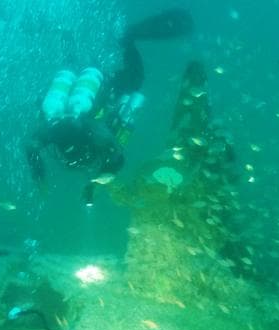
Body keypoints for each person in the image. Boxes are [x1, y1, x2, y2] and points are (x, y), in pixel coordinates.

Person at [24, 8, 194, 205]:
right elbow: (33, 146)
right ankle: (67, 34)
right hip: (90, 95)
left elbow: (116, 156)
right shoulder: (57, 127)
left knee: (134, 80)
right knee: (72, 67)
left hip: (100, 95)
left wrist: (41, 175)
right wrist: (40, 175)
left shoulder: (90, 132)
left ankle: (125, 37)